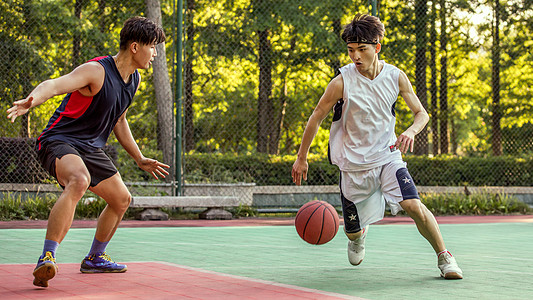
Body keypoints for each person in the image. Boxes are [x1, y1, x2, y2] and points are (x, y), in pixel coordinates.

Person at [291, 13, 463, 280]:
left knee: (413, 205)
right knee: (352, 231)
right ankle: (358, 237)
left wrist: (410, 131)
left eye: (362, 49)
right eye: (350, 50)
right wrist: (302, 157)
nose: (355, 56)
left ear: (377, 47)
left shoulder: (396, 77)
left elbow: (422, 114)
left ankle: (445, 257)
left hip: (387, 157)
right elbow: (316, 116)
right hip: (353, 165)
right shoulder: (341, 82)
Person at [6, 16, 170, 287]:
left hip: (90, 147)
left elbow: (119, 120)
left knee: (121, 200)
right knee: (79, 180)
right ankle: (47, 257)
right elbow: (56, 85)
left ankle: (95, 258)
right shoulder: (97, 71)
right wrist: (32, 100)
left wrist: (139, 158)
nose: (154, 53)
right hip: (59, 140)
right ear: (134, 47)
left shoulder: (134, 79)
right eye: (152, 47)